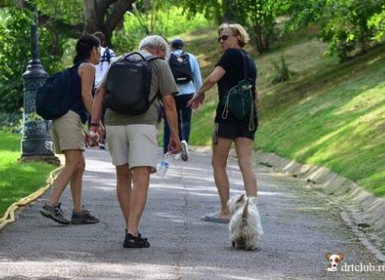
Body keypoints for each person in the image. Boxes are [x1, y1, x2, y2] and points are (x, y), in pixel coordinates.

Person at [91, 35, 181, 248]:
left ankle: (131, 229)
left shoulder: (117, 61)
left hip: (113, 123)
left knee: (122, 175)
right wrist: (175, 135)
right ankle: (132, 232)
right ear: (160, 50)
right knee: (141, 176)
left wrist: (95, 124)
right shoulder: (158, 64)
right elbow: (168, 102)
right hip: (143, 123)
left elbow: (100, 92)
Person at [188, 23, 259, 223]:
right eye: (220, 39)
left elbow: (213, 78)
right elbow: (256, 94)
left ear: (237, 36)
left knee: (218, 162)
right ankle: (252, 212)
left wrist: (199, 93)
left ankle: (225, 211)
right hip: (248, 118)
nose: (222, 42)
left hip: (227, 117)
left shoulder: (231, 56)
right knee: (246, 163)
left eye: (225, 37)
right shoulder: (249, 59)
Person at [39, 34, 101, 225]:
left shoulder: (74, 69)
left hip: (63, 119)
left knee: (79, 165)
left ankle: (78, 211)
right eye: (99, 49)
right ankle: (51, 204)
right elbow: (86, 96)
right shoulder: (88, 67)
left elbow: (73, 100)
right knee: (73, 164)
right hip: (68, 118)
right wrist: (97, 123)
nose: (100, 54)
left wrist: (83, 129)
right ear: (93, 50)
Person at [163, 38, 202, 161]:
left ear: (172, 47)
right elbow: (197, 77)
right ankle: (185, 142)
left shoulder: (167, 58)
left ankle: (172, 146)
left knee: (173, 120)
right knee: (186, 120)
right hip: (188, 93)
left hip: (172, 93)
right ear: (183, 46)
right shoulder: (191, 57)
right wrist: (199, 93)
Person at [87, 31, 116, 150]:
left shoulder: (89, 52)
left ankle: (91, 137)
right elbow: (115, 65)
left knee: (92, 111)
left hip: (92, 84)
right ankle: (102, 139)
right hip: (105, 85)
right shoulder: (109, 52)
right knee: (103, 113)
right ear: (103, 41)